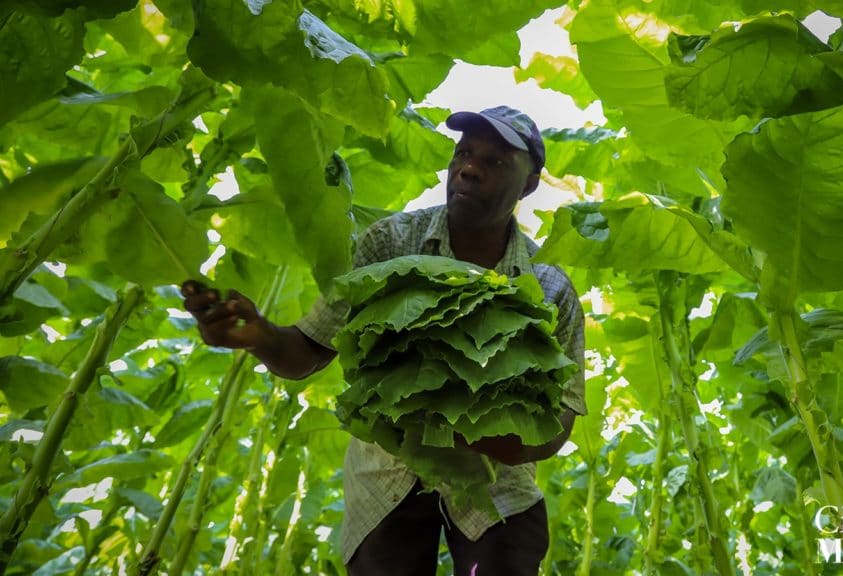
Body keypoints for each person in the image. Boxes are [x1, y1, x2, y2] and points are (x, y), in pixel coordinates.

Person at [181, 106, 586, 576]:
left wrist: (492, 435)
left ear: (530, 183)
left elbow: (559, 419)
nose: (469, 168)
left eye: (495, 162)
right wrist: (257, 336)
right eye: (464, 153)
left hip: (499, 487)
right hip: (387, 480)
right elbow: (306, 351)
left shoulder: (549, 286)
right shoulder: (392, 242)